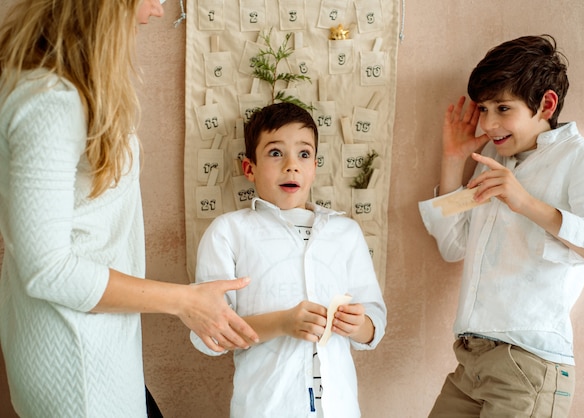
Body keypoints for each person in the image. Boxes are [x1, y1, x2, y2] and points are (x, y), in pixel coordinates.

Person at [0, 1, 259, 416]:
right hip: (76, 365)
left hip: (96, 346)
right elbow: (46, 269)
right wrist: (185, 302)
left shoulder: (64, 88)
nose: (157, 9)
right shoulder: (50, 101)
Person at [419, 34, 584, 417]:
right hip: (470, 363)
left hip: (528, 365)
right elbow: (453, 247)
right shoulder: (494, 159)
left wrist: (528, 204)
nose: (489, 123)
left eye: (502, 108)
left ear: (546, 104)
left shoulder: (583, 160)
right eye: (483, 109)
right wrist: (453, 160)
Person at [190, 102, 387, 417]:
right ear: (249, 168)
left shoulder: (346, 233)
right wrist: (282, 323)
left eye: (304, 154)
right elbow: (209, 333)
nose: (292, 165)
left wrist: (357, 325)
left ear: (315, 166)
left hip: (340, 408)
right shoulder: (228, 232)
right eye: (275, 153)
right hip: (266, 407)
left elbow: (375, 325)